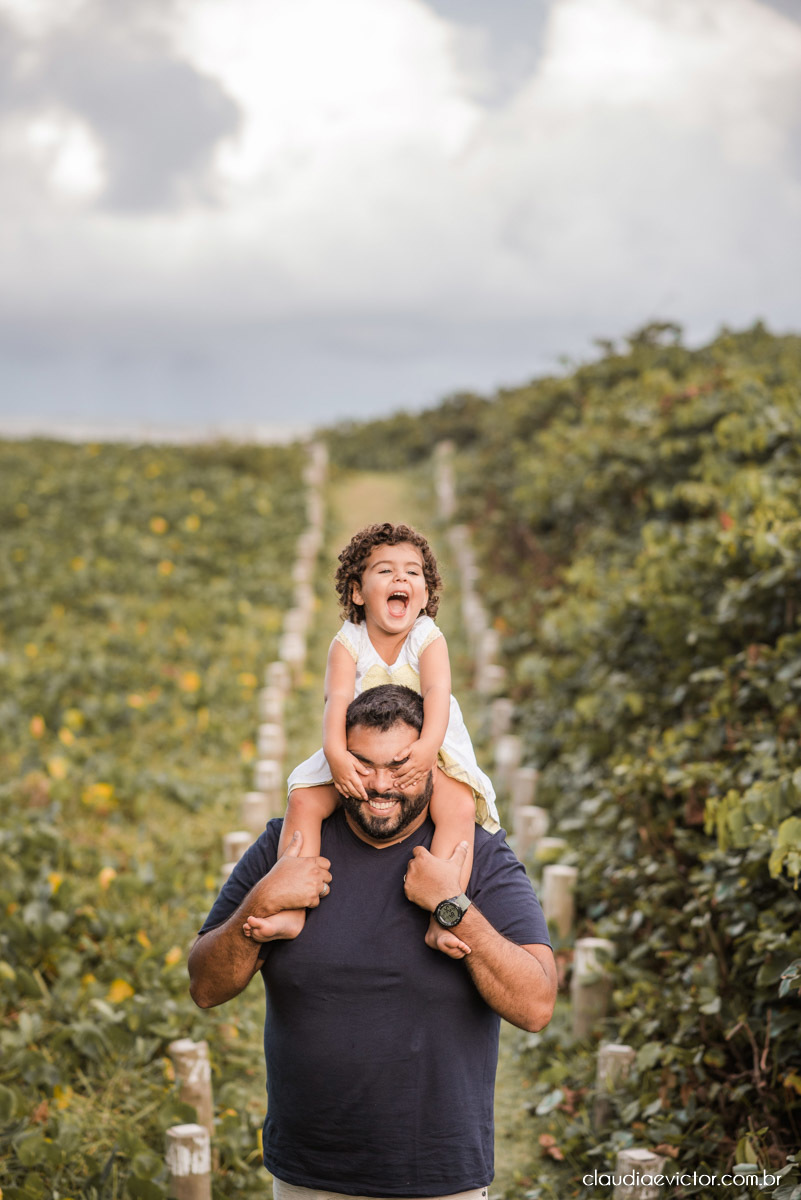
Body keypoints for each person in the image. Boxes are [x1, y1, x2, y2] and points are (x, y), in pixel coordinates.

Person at [189, 684, 556, 1200]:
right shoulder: (284, 846)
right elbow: (205, 986)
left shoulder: (478, 856)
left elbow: (537, 1004)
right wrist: (261, 901)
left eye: (401, 768)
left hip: (439, 1179)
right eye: (362, 765)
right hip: (307, 1176)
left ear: (434, 762)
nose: (380, 786)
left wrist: (452, 907)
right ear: (337, 762)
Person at [245, 522, 500, 957]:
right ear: (358, 591)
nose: (400, 579)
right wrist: (336, 755)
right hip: (357, 748)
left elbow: (438, 693)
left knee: (456, 807)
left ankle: (443, 914)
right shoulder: (348, 642)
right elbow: (336, 701)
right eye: (385, 571)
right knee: (304, 801)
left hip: (428, 743)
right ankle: (291, 905)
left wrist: (426, 749)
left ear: (424, 592)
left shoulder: (427, 637)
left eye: (412, 572)